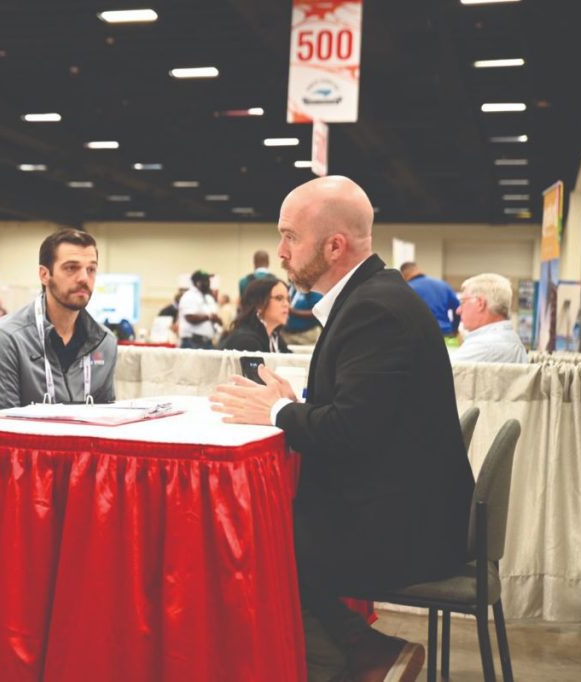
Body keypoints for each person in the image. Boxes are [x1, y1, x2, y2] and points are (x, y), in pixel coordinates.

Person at [210, 176, 474, 682]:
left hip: (402, 529)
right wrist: (288, 406)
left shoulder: (373, 310)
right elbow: (364, 414)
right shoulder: (374, 297)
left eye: (290, 237)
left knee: (244, 538)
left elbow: (348, 431)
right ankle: (360, 646)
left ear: (334, 246)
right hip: (410, 509)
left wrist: (277, 413)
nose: (281, 252)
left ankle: (335, 663)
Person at [0, 228, 117, 417]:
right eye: (71, 268)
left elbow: (107, 420)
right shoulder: (7, 339)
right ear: (44, 275)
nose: (84, 278)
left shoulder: (105, 342)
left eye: (91, 269)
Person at [453, 273, 528, 363]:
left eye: (463, 302)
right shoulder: (505, 338)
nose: (458, 310)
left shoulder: (487, 345)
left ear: (480, 303)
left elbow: (439, 373)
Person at [221, 276, 291, 353]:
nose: (286, 304)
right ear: (259, 304)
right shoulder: (246, 341)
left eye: (288, 299)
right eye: (279, 298)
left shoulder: (273, 336)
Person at [400, 262, 460, 335]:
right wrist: (454, 329)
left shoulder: (407, 288)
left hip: (422, 334)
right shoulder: (442, 284)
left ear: (404, 274)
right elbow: (458, 309)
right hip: (445, 333)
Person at [178, 269, 222, 349]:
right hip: (193, 343)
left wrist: (218, 321)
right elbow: (190, 317)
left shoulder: (209, 298)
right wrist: (209, 317)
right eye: (207, 281)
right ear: (198, 283)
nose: (209, 284)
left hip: (208, 342)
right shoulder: (189, 296)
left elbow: (214, 316)